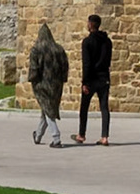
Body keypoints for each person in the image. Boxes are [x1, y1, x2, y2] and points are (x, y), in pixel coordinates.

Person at [27, 24, 70, 148]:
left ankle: (56, 137)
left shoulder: (36, 50)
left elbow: (34, 69)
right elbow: (65, 67)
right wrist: (63, 79)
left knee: (48, 110)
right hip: (57, 85)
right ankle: (38, 135)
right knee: (46, 110)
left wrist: (32, 80)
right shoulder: (59, 49)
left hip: (42, 84)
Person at [73, 13, 112, 145]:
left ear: (90, 24)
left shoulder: (87, 42)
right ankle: (105, 136)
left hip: (92, 79)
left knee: (84, 107)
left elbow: (87, 64)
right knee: (104, 107)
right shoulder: (107, 41)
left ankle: (81, 134)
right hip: (104, 77)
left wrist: (85, 82)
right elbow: (108, 61)